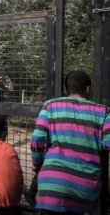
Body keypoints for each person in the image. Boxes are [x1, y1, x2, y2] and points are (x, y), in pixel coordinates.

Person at [31, 70, 110, 215]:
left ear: (67, 88)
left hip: (51, 184)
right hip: (85, 188)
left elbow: (37, 139)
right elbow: (108, 143)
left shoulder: (49, 106)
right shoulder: (103, 111)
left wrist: (37, 165)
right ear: (88, 89)